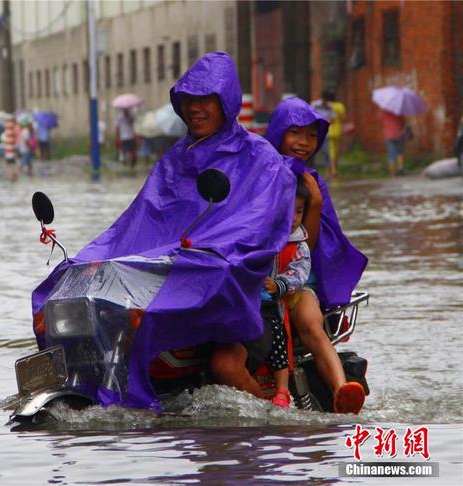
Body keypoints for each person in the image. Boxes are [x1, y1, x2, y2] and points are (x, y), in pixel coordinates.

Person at [31, 52, 295, 410]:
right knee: (76, 282)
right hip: (171, 266)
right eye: (188, 100)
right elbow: (137, 222)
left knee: (223, 363)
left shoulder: (261, 159)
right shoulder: (176, 157)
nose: (195, 109)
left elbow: (253, 228)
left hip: (226, 280)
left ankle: (269, 414)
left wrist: (210, 251)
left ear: (226, 102)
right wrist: (88, 259)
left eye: (205, 100)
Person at [264, 96, 369, 414]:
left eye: (312, 136)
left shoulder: (312, 182)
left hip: (295, 279)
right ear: (280, 132)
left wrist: (317, 202)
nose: (304, 142)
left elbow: (308, 245)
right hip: (256, 281)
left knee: (311, 324)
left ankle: (342, 389)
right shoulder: (257, 174)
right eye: (296, 133)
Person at [261, 176, 312, 408]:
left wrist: (279, 285)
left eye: (299, 212)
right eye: (287, 211)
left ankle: (282, 389)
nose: (293, 218)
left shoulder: (299, 243)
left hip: (277, 305)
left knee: (278, 335)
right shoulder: (258, 234)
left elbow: (299, 274)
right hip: (251, 301)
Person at [311, 91, 336, 174]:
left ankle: (327, 170)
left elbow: (333, 118)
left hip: (325, 133)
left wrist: (327, 122)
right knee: (312, 151)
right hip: (314, 133)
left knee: (326, 152)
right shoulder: (315, 105)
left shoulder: (330, 107)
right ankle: (311, 168)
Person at [380, 109, 406, 176]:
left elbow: (380, 120)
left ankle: (392, 173)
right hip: (398, 134)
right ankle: (400, 169)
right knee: (399, 152)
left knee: (391, 155)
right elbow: (403, 122)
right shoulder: (399, 111)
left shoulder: (383, 111)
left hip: (388, 135)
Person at [327, 92, 346, 178]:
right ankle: (335, 169)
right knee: (337, 150)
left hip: (329, 131)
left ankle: (333, 169)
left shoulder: (328, 106)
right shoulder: (340, 106)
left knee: (331, 151)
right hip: (338, 131)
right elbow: (342, 118)